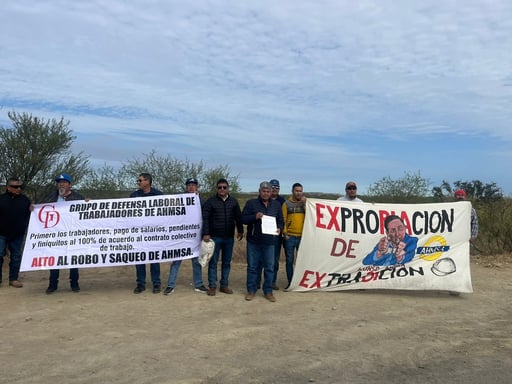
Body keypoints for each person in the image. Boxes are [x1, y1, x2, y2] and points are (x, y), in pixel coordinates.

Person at [163, 177, 208, 295]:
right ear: (186, 187)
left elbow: (205, 217)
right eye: (189, 185)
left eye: (193, 185)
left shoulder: (201, 201)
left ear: (197, 187)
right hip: (180, 236)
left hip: (195, 236)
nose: (191, 187)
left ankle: (198, 284)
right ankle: (170, 285)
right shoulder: (179, 200)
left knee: (196, 261)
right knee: (176, 261)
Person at [242, 181, 284, 302]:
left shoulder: (276, 205)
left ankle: (268, 291)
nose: (265, 193)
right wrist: (254, 217)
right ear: (259, 191)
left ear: (271, 192)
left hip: (270, 241)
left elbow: (280, 220)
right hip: (254, 241)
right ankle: (251, 290)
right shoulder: (251, 203)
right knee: (252, 267)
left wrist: (280, 228)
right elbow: (243, 219)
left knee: (269, 268)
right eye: (263, 191)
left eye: (268, 191)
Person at [202, 178, 244, 296]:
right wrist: (206, 233)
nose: (222, 189)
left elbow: (238, 217)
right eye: (220, 187)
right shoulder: (210, 202)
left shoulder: (234, 202)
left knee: (226, 262)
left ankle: (224, 285)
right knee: (213, 262)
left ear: (228, 188)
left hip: (229, 237)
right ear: (217, 188)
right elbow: (205, 219)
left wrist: (240, 230)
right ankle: (212, 286)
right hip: (214, 237)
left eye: (224, 187)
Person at [45, 173, 85, 294]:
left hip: (72, 233)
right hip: (56, 233)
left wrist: (87, 203)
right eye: (59, 182)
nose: (61, 184)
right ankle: (52, 284)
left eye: (64, 182)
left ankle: (74, 283)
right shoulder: (51, 196)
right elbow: (41, 209)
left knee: (73, 258)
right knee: (55, 259)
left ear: (69, 184)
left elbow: (85, 212)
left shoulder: (78, 197)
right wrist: (33, 208)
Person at [130, 173, 162, 294]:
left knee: (154, 259)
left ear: (148, 181)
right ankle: (140, 284)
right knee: (139, 259)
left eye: (140, 180)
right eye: (138, 180)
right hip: (139, 233)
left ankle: (156, 283)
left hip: (154, 233)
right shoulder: (134, 195)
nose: (138, 182)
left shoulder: (158, 195)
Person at [0, 177, 32, 288]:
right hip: (2, 233)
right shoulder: (1, 199)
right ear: (8, 187)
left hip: (18, 234)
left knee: (16, 256)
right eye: (15, 187)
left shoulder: (25, 200)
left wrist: (34, 210)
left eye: (20, 187)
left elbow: (31, 215)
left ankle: (13, 279)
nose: (18, 189)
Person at [282, 183, 306, 287]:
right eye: (296, 190)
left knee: (302, 260)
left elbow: (311, 216)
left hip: (302, 237)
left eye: (300, 191)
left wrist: (305, 204)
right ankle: (291, 282)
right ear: (292, 191)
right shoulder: (286, 204)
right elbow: (283, 219)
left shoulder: (306, 203)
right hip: (290, 237)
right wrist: (285, 233)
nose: (298, 193)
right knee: (289, 260)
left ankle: (300, 281)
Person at [269, 179, 285, 290]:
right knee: (262, 259)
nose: (275, 189)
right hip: (264, 234)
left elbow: (283, 218)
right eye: (273, 187)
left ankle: (272, 281)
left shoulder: (283, 201)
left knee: (274, 260)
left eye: (277, 187)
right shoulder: (263, 199)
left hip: (277, 235)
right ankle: (258, 280)